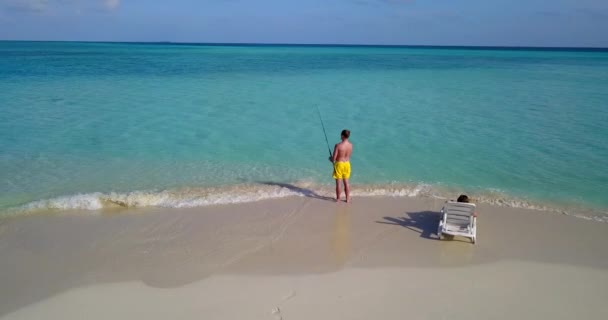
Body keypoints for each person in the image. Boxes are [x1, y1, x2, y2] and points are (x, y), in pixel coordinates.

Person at [329, 129, 353, 203]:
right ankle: (347, 199)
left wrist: (330, 158)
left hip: (339, 164)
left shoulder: (338, 145)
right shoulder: (351, 145)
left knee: (338, 183)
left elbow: (334, 159)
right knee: (346, 182)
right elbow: (349, 155)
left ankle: (338, 198)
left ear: (342, 135)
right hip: (347, 164)